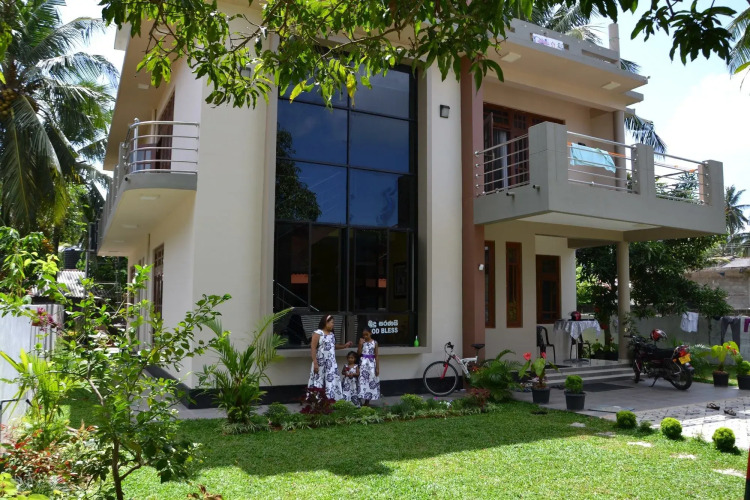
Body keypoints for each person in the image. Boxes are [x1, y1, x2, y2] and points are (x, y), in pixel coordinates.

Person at [308, 314, 352, 401]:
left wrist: (344, 346)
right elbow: (313, 348)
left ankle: (330, 399)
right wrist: (315, 362)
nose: (333, 325)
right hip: (320, 362)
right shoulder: (318, 333)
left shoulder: (331, 334)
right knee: (319, 380)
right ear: (326, 323)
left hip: (331, 363)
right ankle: (317, 401)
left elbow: (332, 346)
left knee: (331, 380)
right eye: (332, 322)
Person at [357, 326, 380, 406]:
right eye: (364, 335)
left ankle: (367, 401)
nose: (365, 336)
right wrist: (360, 344)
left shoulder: (375, 343)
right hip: (363, 364)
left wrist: (377, 368)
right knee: (362, 381)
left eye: (367, 334)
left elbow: (376, 355)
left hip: (371, 364)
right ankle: (361, 398)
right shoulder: (362, 342)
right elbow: (358, 353)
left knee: (371, 381)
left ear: (371, 333)